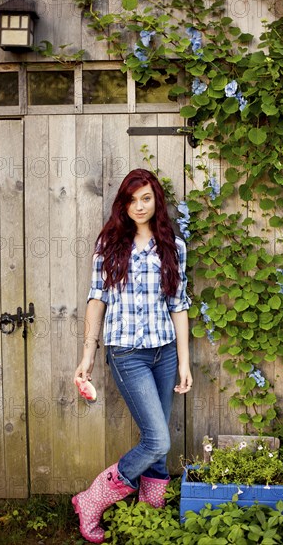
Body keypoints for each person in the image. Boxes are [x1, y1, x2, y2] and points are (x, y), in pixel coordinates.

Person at [72, 168, 193, 544]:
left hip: (165, 353)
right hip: (127, 354)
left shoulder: (174, 245)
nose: (139, 206)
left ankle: (149, 519)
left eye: (146, 198)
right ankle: (92, 499)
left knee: (156, 439)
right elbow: (97, 300)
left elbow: (179, 305)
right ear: (123, 204)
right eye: (132, 199)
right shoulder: (109, 245)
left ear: (156, 201)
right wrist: (88, 354)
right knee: (158, 440)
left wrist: (185, 361)